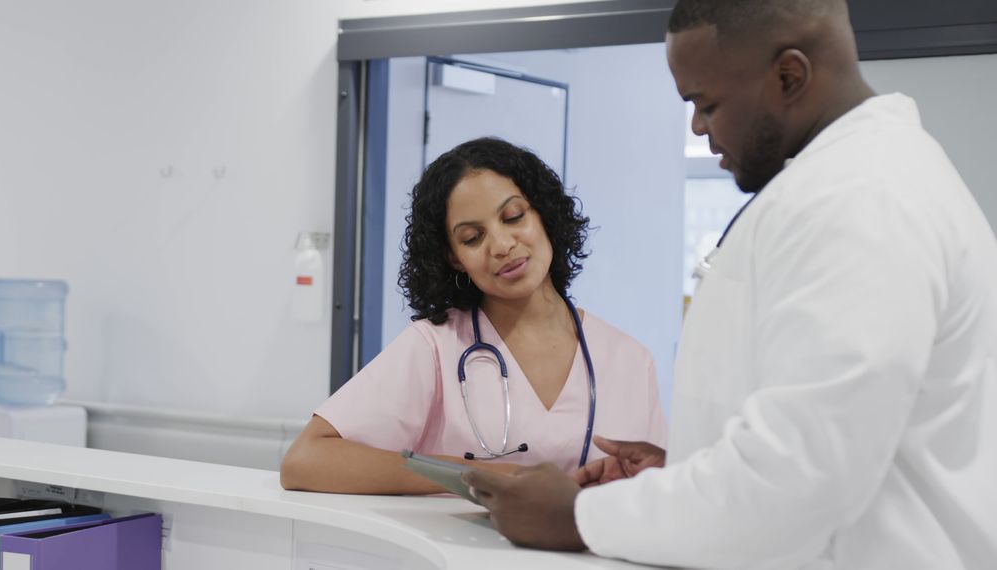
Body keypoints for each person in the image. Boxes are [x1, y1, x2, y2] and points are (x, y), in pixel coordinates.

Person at [463, 1, 997, 568]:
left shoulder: (863, 200)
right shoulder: (856, 180)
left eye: (705, 102)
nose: (697, 126)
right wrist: (689, 471)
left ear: (789, 76)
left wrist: (576, 518)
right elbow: (834, 440)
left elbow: (799, 478)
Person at [280, 137, 668, 494]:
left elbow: (665, 491)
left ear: (544, 214)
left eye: (514, 216)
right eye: (472, 238)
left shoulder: (631, 360)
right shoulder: (435, 345)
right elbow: (305, 460)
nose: (501, 245)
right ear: (454, 258)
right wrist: (503, 478)